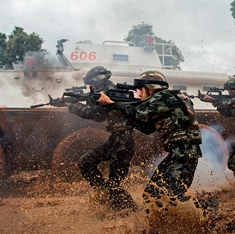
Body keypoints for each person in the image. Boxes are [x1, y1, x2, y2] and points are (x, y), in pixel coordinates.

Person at [97, 71, 207, 215]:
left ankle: (212, 213)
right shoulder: (171, 97)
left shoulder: (162, 97)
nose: (138, 93)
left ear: (149, 88)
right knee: (151, 195)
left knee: (168, 196)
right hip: (180, 153)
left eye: (140, 89)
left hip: (184, 153)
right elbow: (148, 128)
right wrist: (125, 117)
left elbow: (136, 112)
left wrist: (111, 104)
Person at [66, 66, 136, 211]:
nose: (90, 85)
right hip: (119, 138)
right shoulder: (110, 90)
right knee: (87, 163)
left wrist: (70, 106)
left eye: (91, 82)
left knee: (113, 184)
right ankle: (107, 197)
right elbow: (100, 116)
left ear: (97, 80)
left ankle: (130, 210)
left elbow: (92, 113)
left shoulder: (107, 91)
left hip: (122, 139)